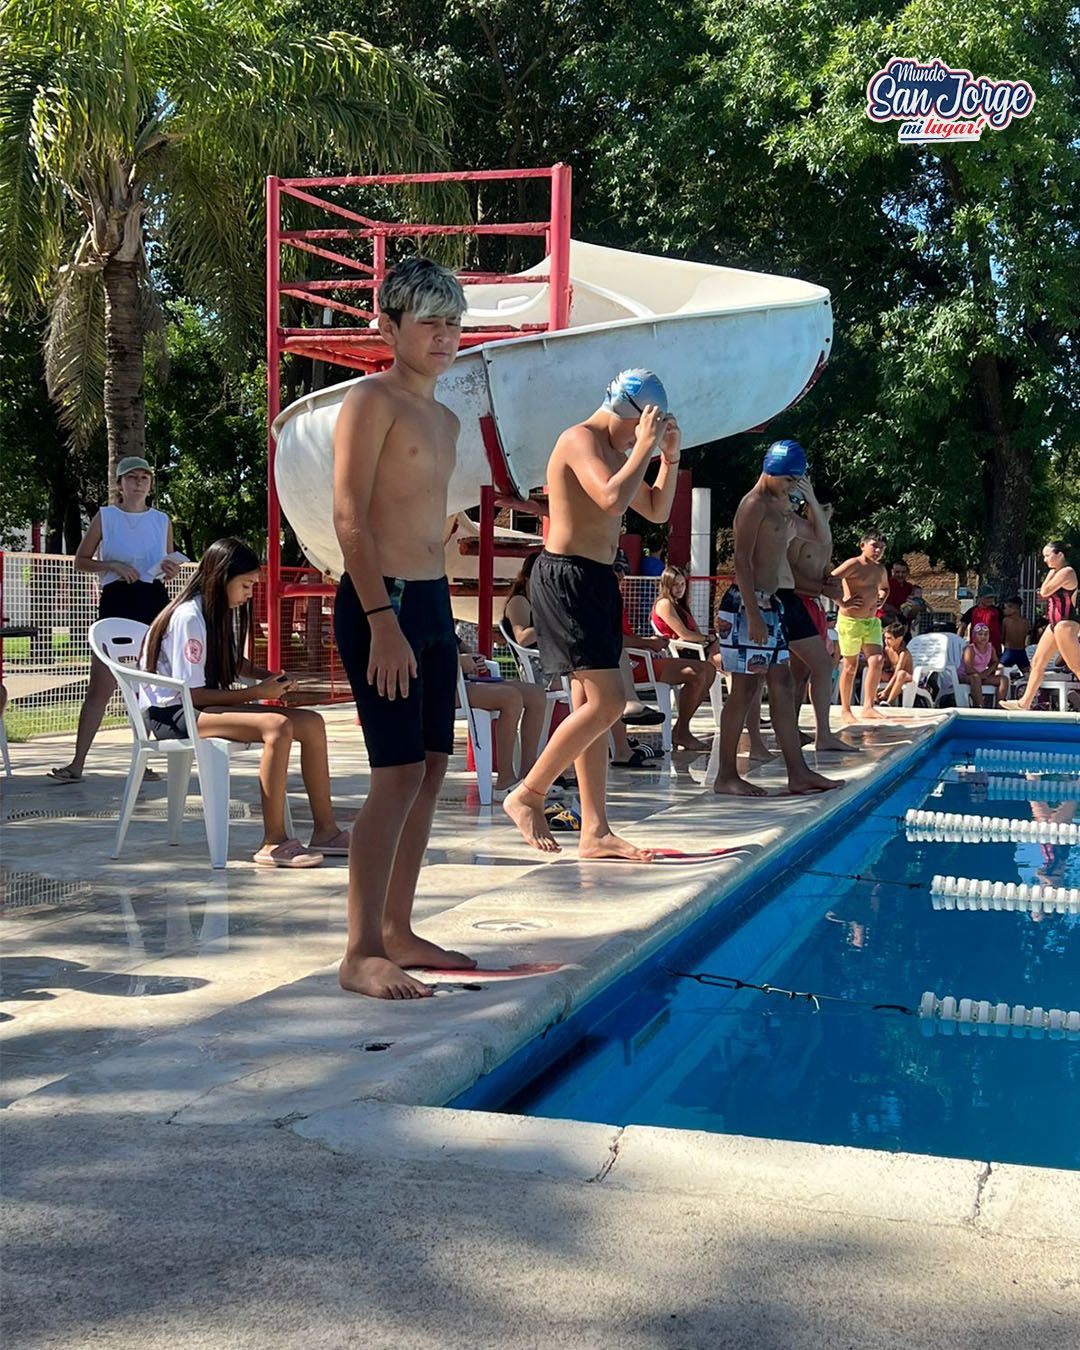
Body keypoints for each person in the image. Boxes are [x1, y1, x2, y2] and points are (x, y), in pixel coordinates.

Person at [332, 256, 476, 999]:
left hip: (429, 605)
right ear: (389, 326)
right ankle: (359, 952)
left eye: (453, 323)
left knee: (429, 768)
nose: (445, 337)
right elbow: (350, 517)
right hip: (378, 604)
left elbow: (429, 521)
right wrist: (383, 620)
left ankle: (398, 927)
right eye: (430, 324)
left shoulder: (446, 418)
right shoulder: (371, 399)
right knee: (392, 776)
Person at [502, 368, 681, 857]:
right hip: (567, 579)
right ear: (627, 411)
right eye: (642, 424)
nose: (639, 435)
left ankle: (595, 831)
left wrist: (668, 456)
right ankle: (529, 793)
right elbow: (608, 497)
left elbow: (656, 510)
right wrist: (644, 448)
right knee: (607, 704)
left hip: (597, 580)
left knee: (590, 709)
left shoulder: (620, 452)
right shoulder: (578, 439)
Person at [142, 538, 350, 867]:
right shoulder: (188, 618)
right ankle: (273, 842)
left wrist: (270, 678)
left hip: (199, 707)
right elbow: (193, 695)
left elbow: (232, 663)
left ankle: (326, 830)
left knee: (312, 723)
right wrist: (256, 693)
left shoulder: (215, 611)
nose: (250, 591)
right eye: (246, 584)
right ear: (221, 578)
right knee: (277, 725)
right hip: (172, 715)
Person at [714, 441, 843, 797]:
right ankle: (726, 775)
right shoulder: (753, 505)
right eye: (788, 480)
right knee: (744, 689)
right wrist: (753, 615)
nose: (791, 487)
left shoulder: (783, 505)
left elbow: (820, 537)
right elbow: (741, 560)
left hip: (772, 604)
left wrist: (812, 498)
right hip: (747, 604)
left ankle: (798, 773)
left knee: (782, 685)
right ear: (771, 472)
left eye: (795, 482)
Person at [49, 457, 183, 783]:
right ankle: (77, 763)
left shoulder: (162, 520)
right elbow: (81, 561)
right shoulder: (105, 517)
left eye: (145, 477)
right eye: (132, 477)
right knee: (102, 685)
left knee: (148, 685)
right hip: (117, 601)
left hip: (152, 601)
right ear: (119, 484)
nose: (139, 483)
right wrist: (112, 565)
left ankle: (145, 760)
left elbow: (166, 563)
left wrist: (170, 568)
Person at [781, 471, 856, 752]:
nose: (820, 514)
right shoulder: (798, 533)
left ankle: (795, 729)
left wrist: (833, 585)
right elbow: (786, 574)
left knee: (801, 672)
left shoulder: (825, 537)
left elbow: (823, 569)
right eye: (816, 508)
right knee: (819, 667)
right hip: (795, 603)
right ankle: (822, 733)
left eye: (825, 510)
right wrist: (822, 588)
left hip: (811, 605)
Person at [457, 642, 548, 796]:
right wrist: (458, 660)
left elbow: (460, 646)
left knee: (536, 695)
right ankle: (505, 779)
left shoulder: (441, 621)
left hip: (464, 682)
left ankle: (529, 775)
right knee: (510, 698)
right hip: (442, 688)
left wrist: (473, 658)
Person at [1003, 542, 1080, 711]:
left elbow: (1044, 592)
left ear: (1060, 555)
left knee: (1076, 666)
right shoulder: (1055, 573)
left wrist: (1050, 574)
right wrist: (1051, 574)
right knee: (1037, 662)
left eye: (1047, 555)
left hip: (1065, 623)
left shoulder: (1067, 572)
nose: (1045, 560)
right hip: (1054, 625)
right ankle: (1024, 702)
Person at [833, 532, 889, 724]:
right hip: (851, 621)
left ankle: (868, 706)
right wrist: (842, 602)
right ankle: (846, 709)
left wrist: (882, 596)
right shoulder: (853, 564)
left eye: (881, 547)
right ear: (862, 545)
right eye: (874, 545)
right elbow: (830, 581)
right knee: (850, 666)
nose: (878, 550)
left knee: (877, 660)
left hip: (871, 620)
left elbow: (885, 587)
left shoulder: (880, 569)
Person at [958, 622, 1008, 707]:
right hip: (966, 676)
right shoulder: (970, 649)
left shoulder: (990, 648)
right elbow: (968, 668)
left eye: (986, 634)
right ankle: (979, 706)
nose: (983, 637)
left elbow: (995, 662)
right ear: (974, 636)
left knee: (1003, 679)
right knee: (976, 678)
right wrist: (982, 675)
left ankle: (1000, 706)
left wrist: (987, 673)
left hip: (982, 675)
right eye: (980, 634)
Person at [876, 623, 914, 705]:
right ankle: (874, 698)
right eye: (885, 638)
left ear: (899, 639)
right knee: (874, 670)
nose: (886, 641)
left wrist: (886, 691)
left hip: (906, 677)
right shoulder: (887, 649)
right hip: (893, 675)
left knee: (901, 674)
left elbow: (898, 672)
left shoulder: (903, 653)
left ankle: (889, 702)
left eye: (889, 638)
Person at [1000, 597, 1032, 674]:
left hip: (1009, 651)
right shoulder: (1025, 622)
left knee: (999, 672)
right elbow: (1027, 637)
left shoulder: (1006, 621)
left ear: (1013, 609)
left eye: (1005, 608)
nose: (1003, 611)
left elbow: (1002, 637)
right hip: (1021, 652)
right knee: (1027, 674)